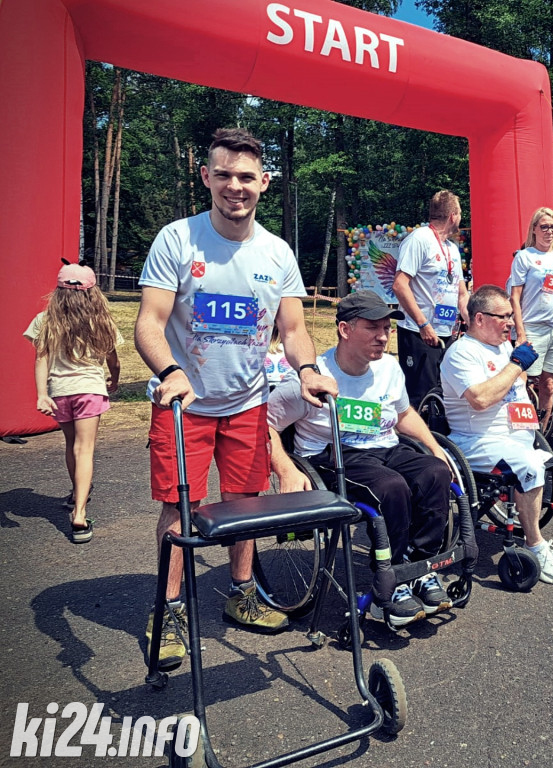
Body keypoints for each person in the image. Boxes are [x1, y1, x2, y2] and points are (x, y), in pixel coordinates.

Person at [135, 127, 337, 671]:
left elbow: (292, 329)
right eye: (223, 174)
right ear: (206, 177)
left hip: (247, 404)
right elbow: (148, 325)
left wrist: (311, 369)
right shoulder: (178, 239)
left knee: (246, 506)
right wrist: (171, 371)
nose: (234, 187)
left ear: (264, 183)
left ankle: (242, 592)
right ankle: (170, 607)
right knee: (180, 510)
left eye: (246, 177)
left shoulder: (277, 252)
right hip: (185, 406)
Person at [268, 291, 453, 628]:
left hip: (384, 447)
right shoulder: (312, 378)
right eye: (373, 328)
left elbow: (402, 413)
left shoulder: (389, 368)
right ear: (344, 329)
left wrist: (434, 446)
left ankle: (420, 567)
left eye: (387, 328)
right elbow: (264, 423)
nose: (383, 336)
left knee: (436, 473)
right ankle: (390, 585)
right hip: (333, 455)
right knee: (391, 487)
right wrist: (284, 467)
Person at [441, 285, 553, 585]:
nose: (510, 323)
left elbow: (518, 379)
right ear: (479, 318)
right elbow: (480, 399)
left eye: (510, 316)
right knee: (529, 465)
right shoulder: (460, 353)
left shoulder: (501, 346)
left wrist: (519, 369)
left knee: (548, 461)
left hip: (516, 436)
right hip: (477, 441)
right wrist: (515, 365)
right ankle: (535, 545)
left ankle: (528, 525)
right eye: (502, 317)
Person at [23, 262, 122, 544]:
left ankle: (76, 492)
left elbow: (41, 359)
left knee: (71, 445)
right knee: (85, 448)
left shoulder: (45, 320)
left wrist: (42, 394)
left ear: (59, 291)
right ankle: (79, 512)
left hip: (60, 391)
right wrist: (114, 379)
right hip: (90, 389)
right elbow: (113, 360)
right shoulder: (101, 321)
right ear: (93, 292)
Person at [392, 190, 469, 410]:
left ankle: (438, 441)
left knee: (442, 395)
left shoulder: (452, 249)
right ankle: (413, 443)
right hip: (419, 333)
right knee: (419, 397)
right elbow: (400, 285)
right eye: (461, 213)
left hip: (446, 334)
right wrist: (423, 324)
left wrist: (473, 323)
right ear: (453, 216)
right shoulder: (419, 239)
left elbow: (461, 294)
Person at [508, 207, 553, 434]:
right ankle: (521, 431)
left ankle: (541, 435)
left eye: (552, 226)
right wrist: (521, 332)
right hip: (532, 328)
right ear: (534, 229)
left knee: (548, 385)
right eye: (544, 226)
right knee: (522, 383)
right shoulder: (525, 257)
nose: (548, 231)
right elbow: (514, 297)